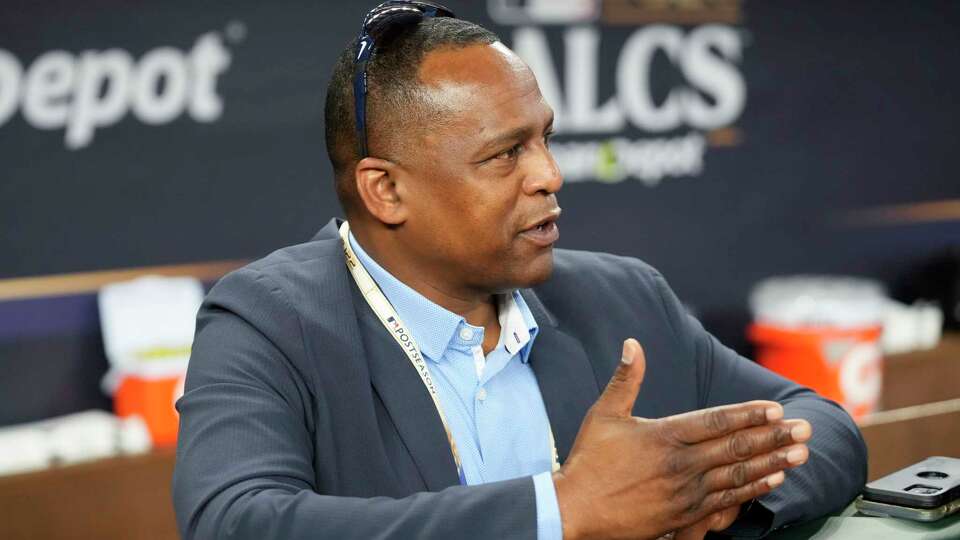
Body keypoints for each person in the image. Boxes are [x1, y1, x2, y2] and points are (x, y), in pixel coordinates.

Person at [172, 3, 867, 539]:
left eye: (545, 139)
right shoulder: (267, 324)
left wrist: (706, 506)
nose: (550, 175)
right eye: (505, 155)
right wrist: (565, 510)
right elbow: (239, 521)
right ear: (386, 190)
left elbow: (823, 427)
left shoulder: (619, 294)